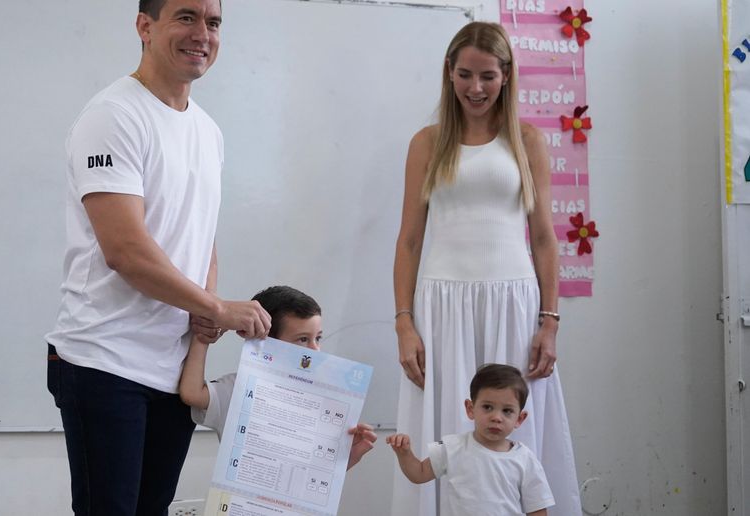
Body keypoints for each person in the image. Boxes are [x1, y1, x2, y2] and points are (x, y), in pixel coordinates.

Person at [45, 1, 273, 515]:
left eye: (213, 23)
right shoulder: (113, 116)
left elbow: (200, 238)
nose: (203, 34)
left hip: (171, 373)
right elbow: (126, 251)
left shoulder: (208, 131)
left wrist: (203, 316)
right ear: (145, 27)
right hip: (104, 362)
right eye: (186, 17)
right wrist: (217, 309)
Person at [391, 21, 580, 516]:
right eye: (465, 75)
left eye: (488, 76)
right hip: (441, 304)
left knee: (510, 428)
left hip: (514, 303)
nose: (476, 88)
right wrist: (404, 322)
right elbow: (409, 240)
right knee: (446, 431)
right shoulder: (427, 143)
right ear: (449, 75)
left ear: (507, 76)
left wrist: (551, 320)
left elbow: (543, 237)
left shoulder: (528, 141)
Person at [179, 285, 377, 470]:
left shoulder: (323, 403)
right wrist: (203, 334)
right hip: (240, 505)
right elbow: (192, 393)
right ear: (266, 341)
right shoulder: (239, 388)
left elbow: (312, 475)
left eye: (318, 338)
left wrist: (350, 456)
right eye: (303, 339)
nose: (315, 350)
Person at [388, 364, 554, 516]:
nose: (496, 417)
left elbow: (537, 508)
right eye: (487, 407)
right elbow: (419, 474)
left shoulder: (525, 459)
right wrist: (404, 453)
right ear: (470, 408)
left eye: (507, 411)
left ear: (520, 418)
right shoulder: (451, 446)